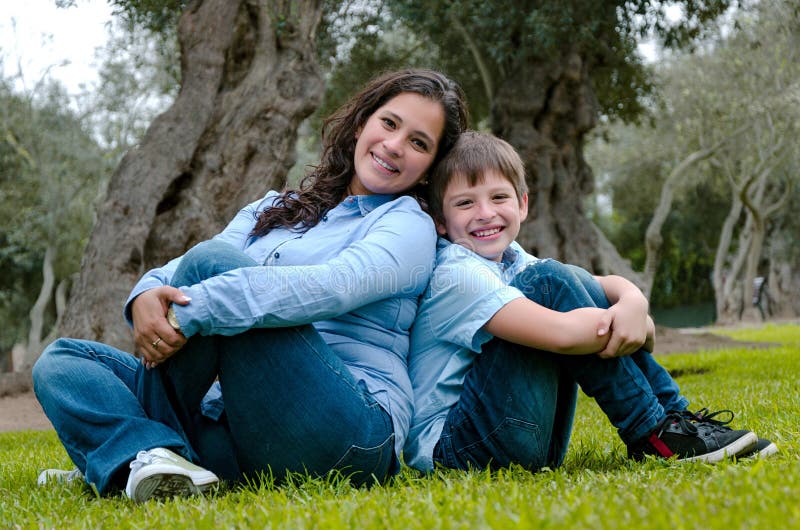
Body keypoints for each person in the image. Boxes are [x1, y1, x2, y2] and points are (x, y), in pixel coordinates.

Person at [32, 69, 469, 502]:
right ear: (361, 124)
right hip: (244, 432)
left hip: (348, 432)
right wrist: (146, 293)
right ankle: (146, 457)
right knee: (63, 362)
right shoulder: (275, 207)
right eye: (389, 123)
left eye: (418, 143)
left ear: (430, 167)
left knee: (214, 266)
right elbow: (186, 264)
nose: (394, 146)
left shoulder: (408, 224)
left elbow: (334, 284)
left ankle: (121, 454)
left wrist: (189, 310)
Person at [404, 131, 776, 474]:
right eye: (465, 203)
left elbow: (598, 290)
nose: (485, 213)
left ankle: (676, 421)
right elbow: (567, 335)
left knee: (565, 278)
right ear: (440, 220)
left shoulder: (514, 260)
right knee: (551, 279)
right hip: (456, 450)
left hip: (530, 443)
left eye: (498, 197)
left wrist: (632, 300)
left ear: (522, 204)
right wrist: (627, 323)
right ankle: (653, 431)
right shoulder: (455, 273)